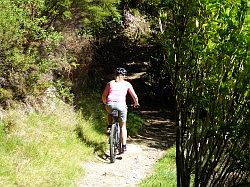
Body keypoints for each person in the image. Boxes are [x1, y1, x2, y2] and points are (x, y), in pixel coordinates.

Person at [102, 67, 139, 153]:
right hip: (121, 105)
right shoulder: (127, 84)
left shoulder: (110, 83)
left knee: (110, 112)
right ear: (124, 76)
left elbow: (104, 96)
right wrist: (136, 103)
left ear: (114, 75)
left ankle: (109, 126)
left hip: (110, 104)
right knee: (123, 126)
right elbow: (135, 96)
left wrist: (105, 102)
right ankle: (124, 146)